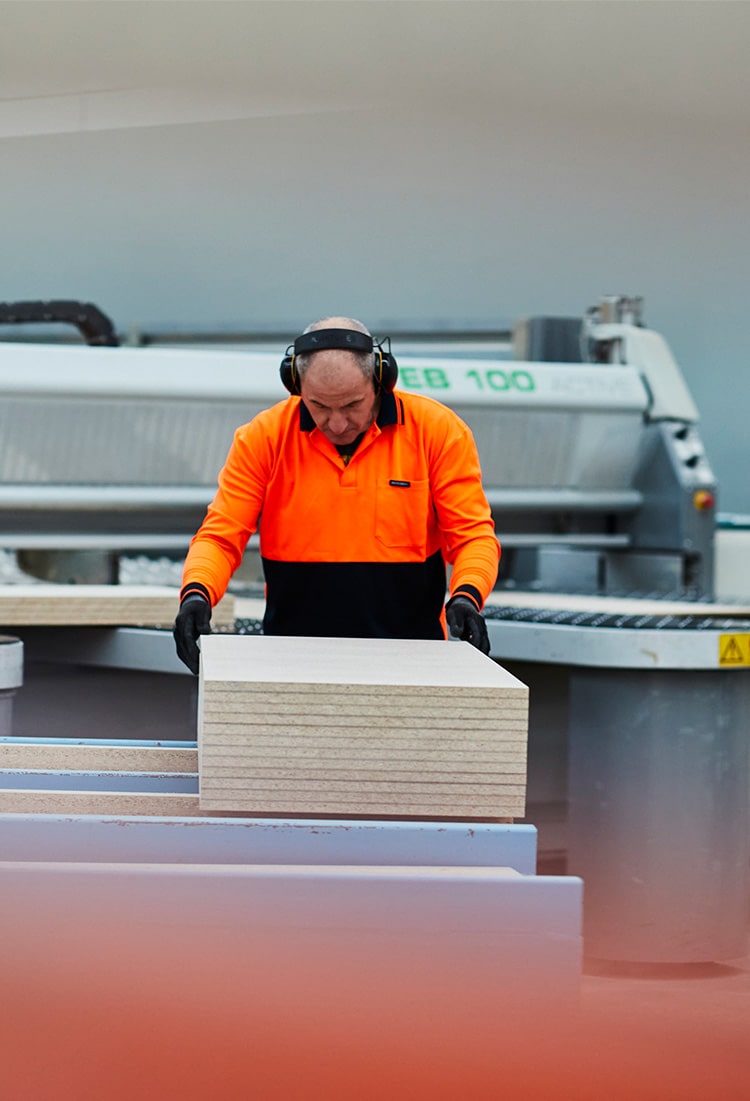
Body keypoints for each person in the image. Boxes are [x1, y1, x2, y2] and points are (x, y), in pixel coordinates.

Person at [173, 317, 500, 673]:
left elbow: (473, 537)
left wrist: (467, 595)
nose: (337, 424)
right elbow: (221, 536)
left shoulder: (437, 432)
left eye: (351, 405)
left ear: (380, 378)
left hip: (414, 660)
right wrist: (197, 593)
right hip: (291, 661)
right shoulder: (263, 438)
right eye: (319, 407)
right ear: (295, 386)